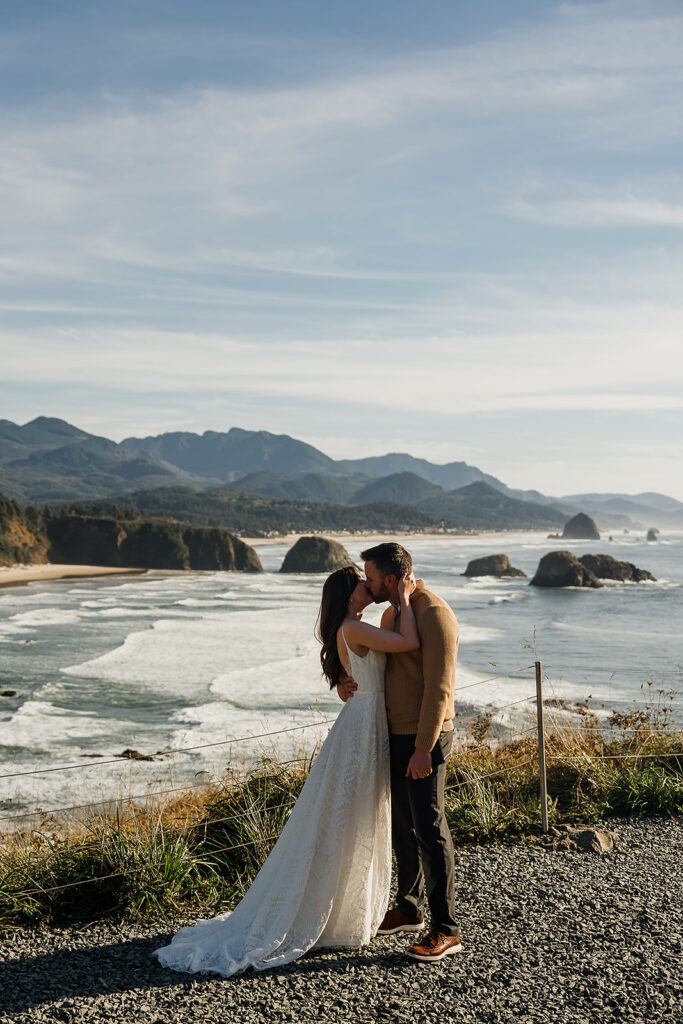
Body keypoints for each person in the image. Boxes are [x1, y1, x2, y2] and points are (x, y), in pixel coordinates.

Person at [154, 563, 419, 978]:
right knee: (348, 819)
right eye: (361, 582)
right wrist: (403, 598)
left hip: (364, 726)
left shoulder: (352, 627)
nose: (369, 585)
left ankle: (341, 912)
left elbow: (360, 671)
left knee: (350, 819)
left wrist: (345, 682)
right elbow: (408, 643)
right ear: (350, 595)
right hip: (363, 729)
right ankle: (333, 913)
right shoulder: (354, 627)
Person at [341, 542, 461, 963]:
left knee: (429, 828)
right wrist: (346, 682)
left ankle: (446, 929)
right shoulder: (393, 614)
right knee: (401, 826)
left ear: (390, 580)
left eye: (370, 577)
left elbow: (440, 688)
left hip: (424, 738)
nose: (366, 583)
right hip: (392, 734)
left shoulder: (434, 614)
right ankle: (409, 908)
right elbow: (376, 663)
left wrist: (424, 747)